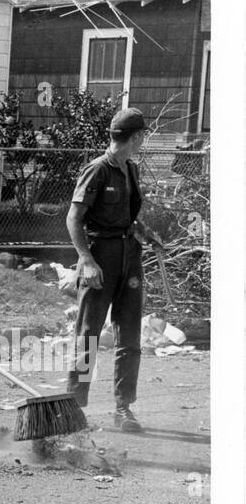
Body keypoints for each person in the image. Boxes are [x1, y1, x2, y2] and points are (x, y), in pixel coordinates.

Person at [66, 107, 163, 433]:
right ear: (134, 137)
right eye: (141, 137)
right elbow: (74, 218)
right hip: (100, 258)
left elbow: (127, 216)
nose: (142, 142)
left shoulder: (130, 169)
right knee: (88, 335)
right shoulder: (97, 170)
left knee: (130, 336)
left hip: (129, 256)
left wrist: (145, 233)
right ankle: (75, 409)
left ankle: (123, 408)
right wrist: (87, 261)